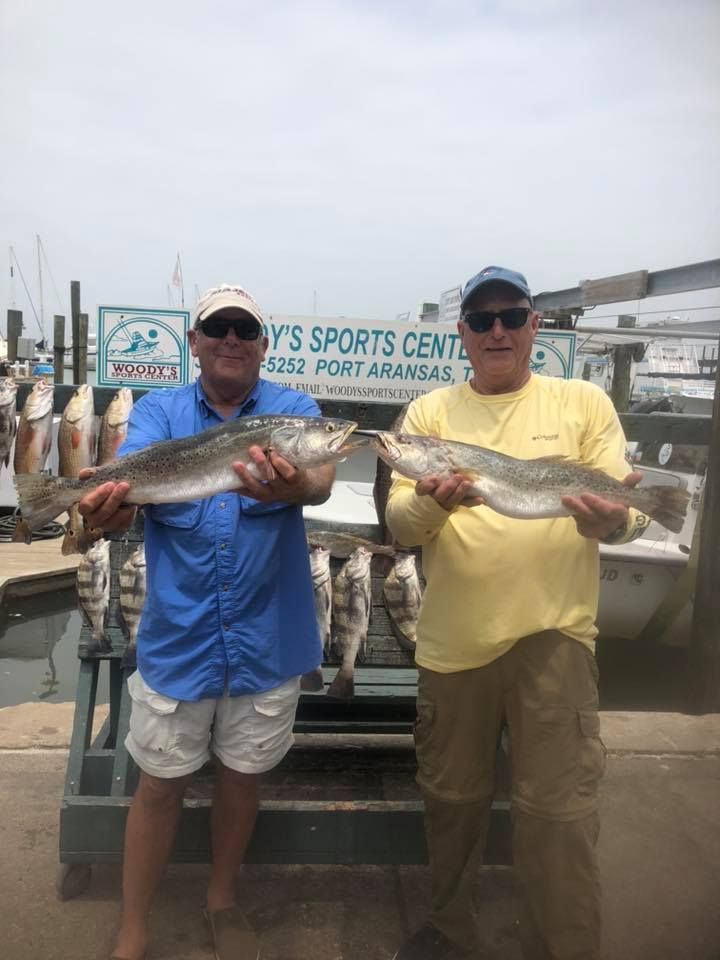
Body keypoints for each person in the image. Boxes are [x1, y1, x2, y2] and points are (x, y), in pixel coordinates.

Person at [386, 266, 647, 960]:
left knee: (559, 814)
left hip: (554, 637)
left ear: (535, 325)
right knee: (451, 806)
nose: (495, 330)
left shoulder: (583, 402)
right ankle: (450, 936)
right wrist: (432, 498)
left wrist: (611, 525)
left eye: (510, 315)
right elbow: (402, 528)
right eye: (479, 319)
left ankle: (565, 944)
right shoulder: (429, 416)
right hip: (451, 646)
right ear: (462, 335)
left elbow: (628, 513)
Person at [78, 283, 335, 960]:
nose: (231, 339)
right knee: (158, 785)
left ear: (262, 344)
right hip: (181, 637)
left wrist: (297, 485)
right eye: (217, 327)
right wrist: (105, 507)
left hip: (268, 638)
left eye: (244, 330)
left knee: (241, 779)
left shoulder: (292, 410)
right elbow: (133, 496)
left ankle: (221, 898)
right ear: (194, 342)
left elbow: (321, 479)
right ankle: (135, 924)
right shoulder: (160, 412)